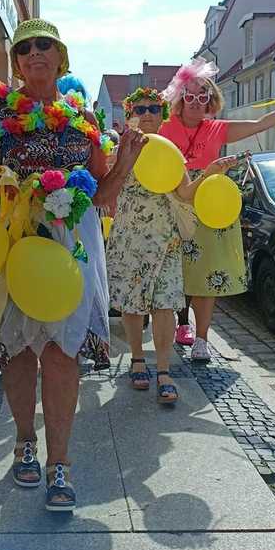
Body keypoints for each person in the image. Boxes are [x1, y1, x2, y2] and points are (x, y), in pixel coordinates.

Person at [0, 19, 145, 512]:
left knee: (62, 353)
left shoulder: (81, 115)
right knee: (18, 351)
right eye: (24, 47)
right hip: (11, 242)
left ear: (61, 56)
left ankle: (61, 462)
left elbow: (102, 194)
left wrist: (124, 160)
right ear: (16, 62)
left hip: (67, 248)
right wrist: (9, 190)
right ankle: (24, 442)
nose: (34, 53)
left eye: (44, 45)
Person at [159, 58, 275, 361]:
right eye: (190, 94)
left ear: (211, 101)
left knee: (208, 273)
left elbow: (261, 124)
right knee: (179, 271)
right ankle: (182, 320)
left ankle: (201, 340)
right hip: (175, 205)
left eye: (203, 96)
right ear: (180, 98)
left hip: (213, 207)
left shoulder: (218, 129)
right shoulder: (165, 129)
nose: (196, 101)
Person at [106, 87, 235, 404]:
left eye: (153, 108)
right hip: (131, 238)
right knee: (133, 304)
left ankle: (163, 370)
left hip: (166, 239)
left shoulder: (172, 151)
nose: (147, 114)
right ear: (130, 115)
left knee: (165, 304)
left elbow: (186, 194)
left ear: (162, 114)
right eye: (140, 109)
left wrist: (209, 172)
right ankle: (138, 359)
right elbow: (105, 189)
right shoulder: (117, 149)